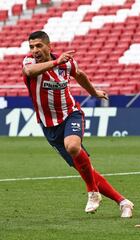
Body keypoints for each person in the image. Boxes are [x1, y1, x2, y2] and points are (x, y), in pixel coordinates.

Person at [22, 31, 134, 217]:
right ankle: (123, 202)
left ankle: (92, 192)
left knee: (73, 146)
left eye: (39, 46)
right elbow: (29, 72)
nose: (35, 50)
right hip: (49, 126)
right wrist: (56, 62)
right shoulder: (29, 62)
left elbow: (80, 74)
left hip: (71, 114)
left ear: (50, 46)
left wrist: (94, 92)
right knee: (86, 170)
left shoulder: (66, 63)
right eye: (32, 47)